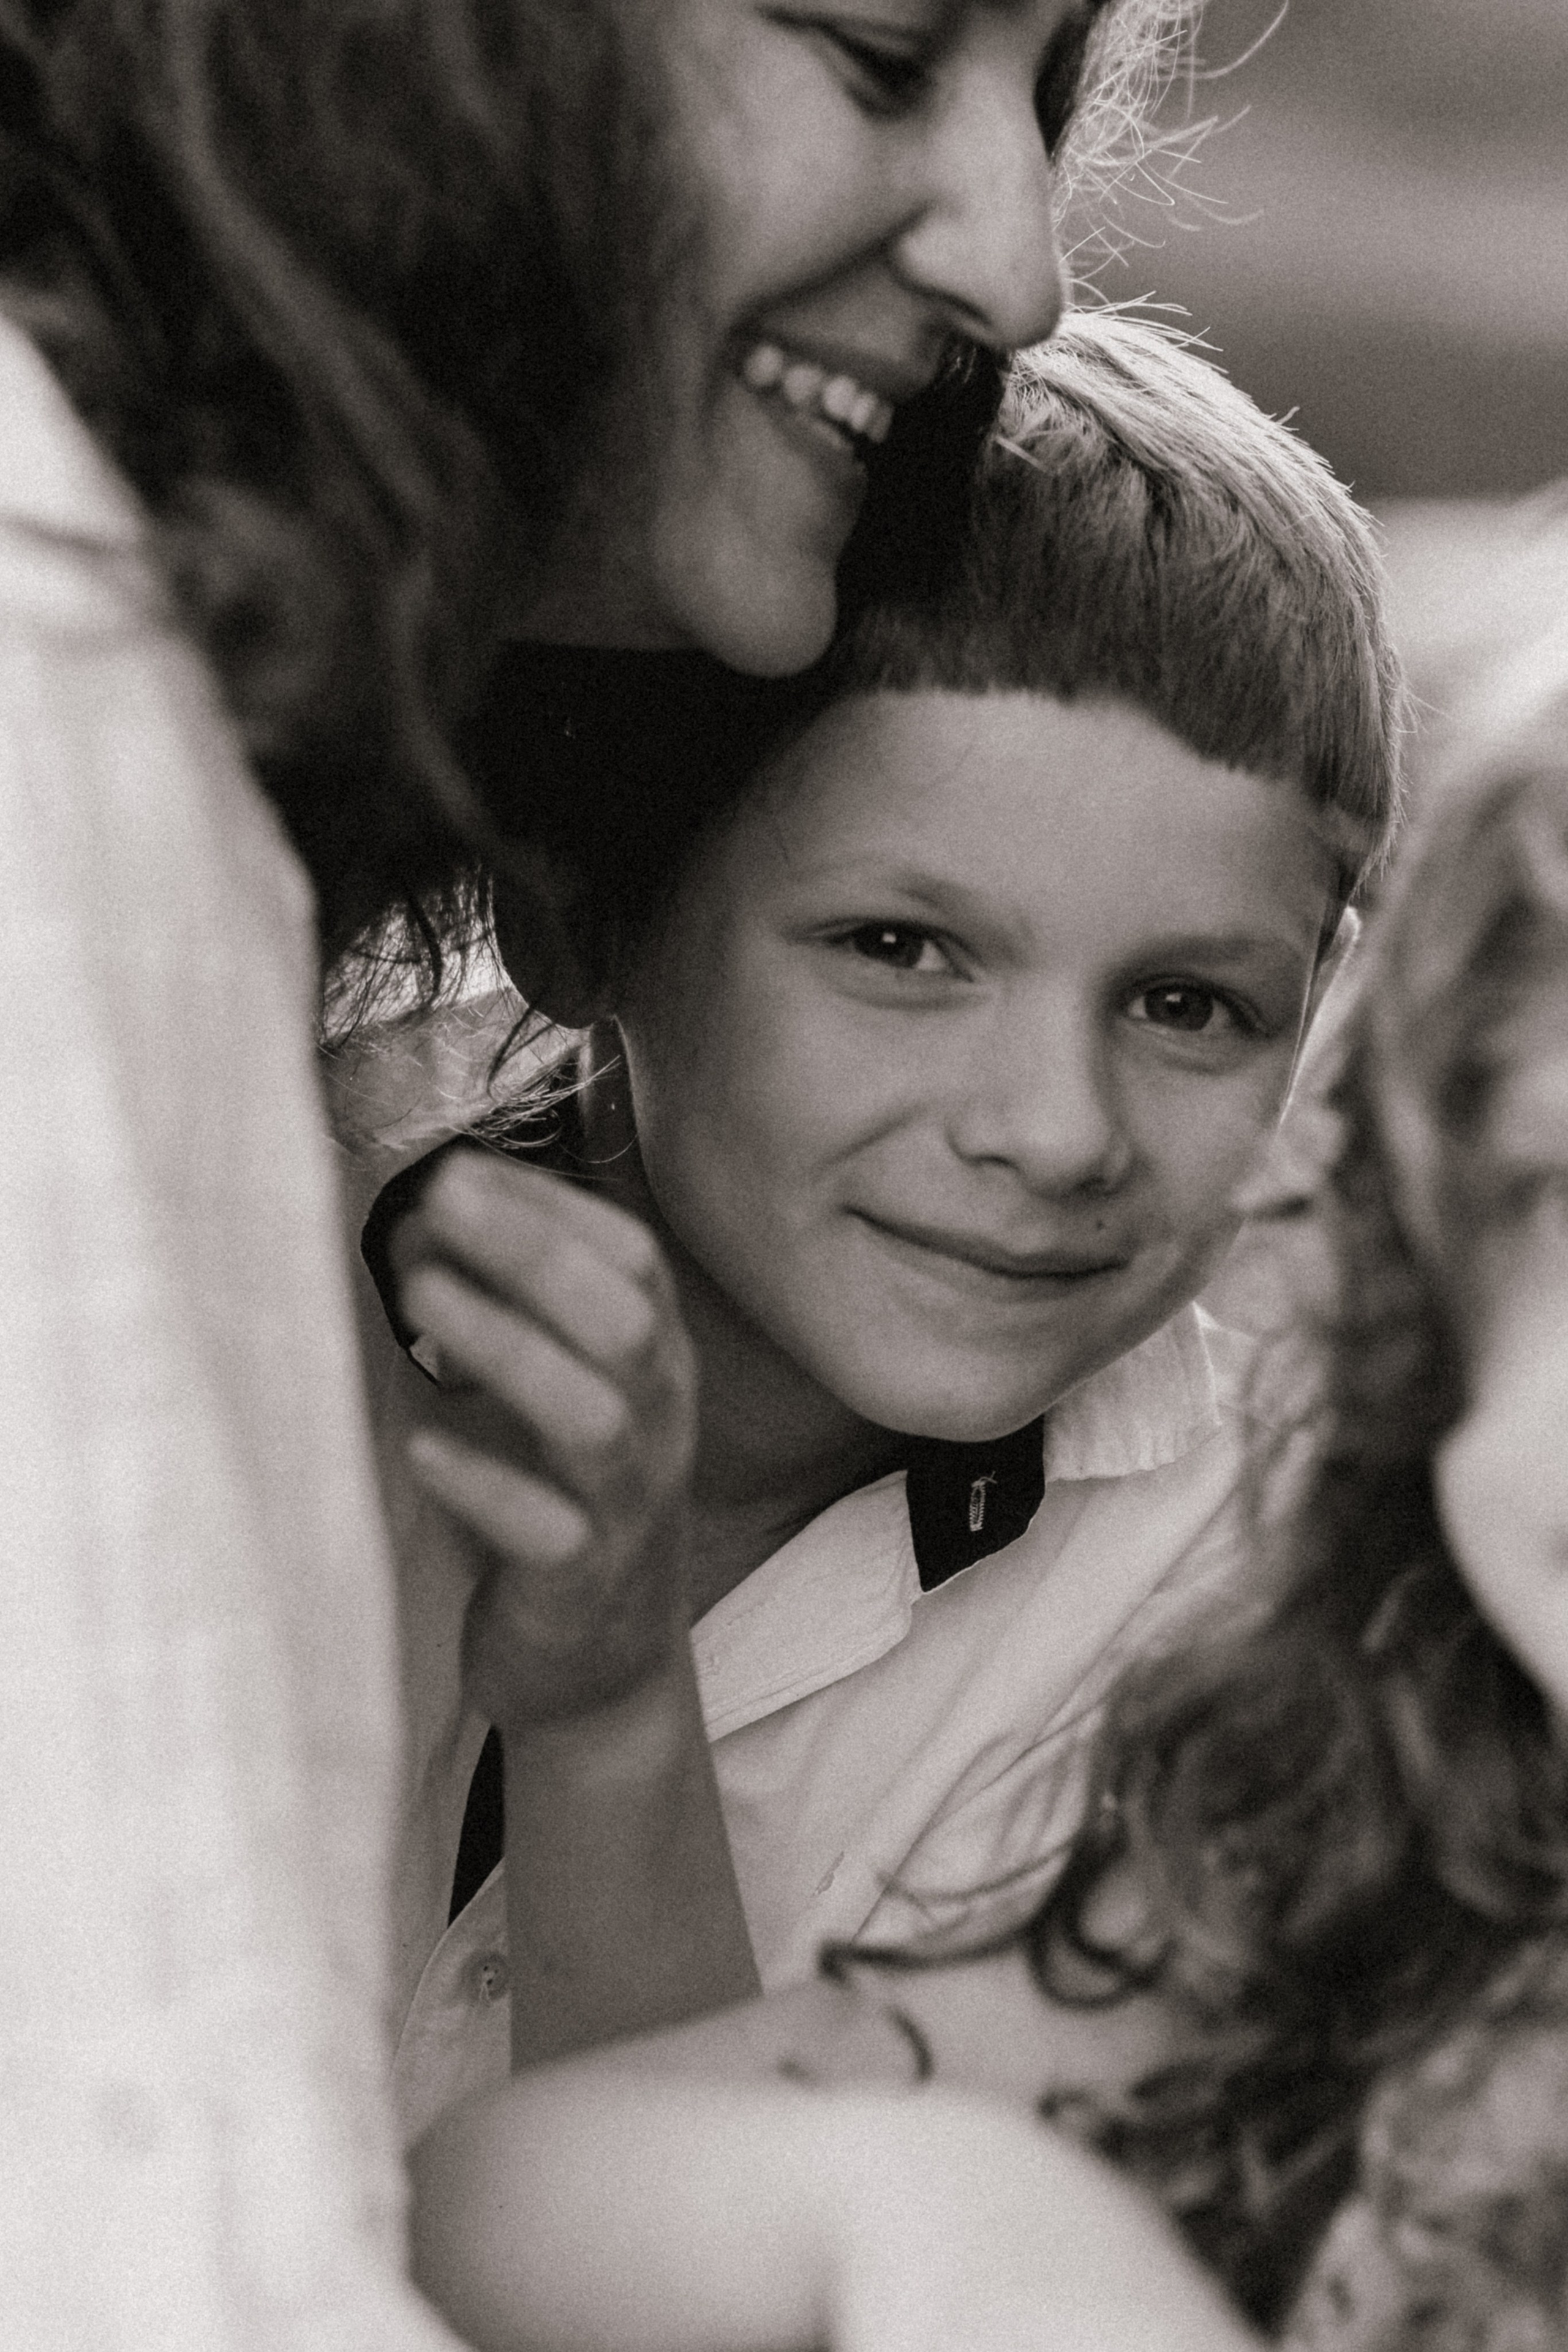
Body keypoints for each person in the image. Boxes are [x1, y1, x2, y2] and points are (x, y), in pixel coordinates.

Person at [0, 0, 1155, 2334]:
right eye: (874, 54)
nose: (1021, 267)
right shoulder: (55, 721)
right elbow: (161, 2239)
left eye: (1033, 105)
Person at [408, 639, 1568, 2352]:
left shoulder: (1172, 1553)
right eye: (1562, 1188)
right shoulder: (1367, 1880)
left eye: (1190, 1001)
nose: (1052, 1129)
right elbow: (488, 2202)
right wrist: (941, 2209)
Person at [373, 309, 1409, 2138]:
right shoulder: (185, 1242)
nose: (1056, 1131)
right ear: (577, 918)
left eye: (1189, 1005)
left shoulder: (1229, 1626)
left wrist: (611, 1711)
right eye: (903, 951)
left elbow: (730, 2293)